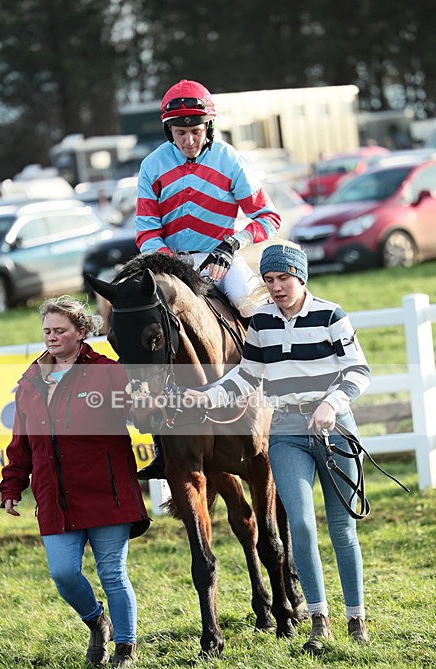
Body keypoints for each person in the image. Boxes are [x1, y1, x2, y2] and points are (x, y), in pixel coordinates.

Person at [183, 240, 371, 654]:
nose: (276, 287)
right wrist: (208, 396)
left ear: (300, 277)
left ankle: (355, 617)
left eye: (283, 278)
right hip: (286, 429)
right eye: (268, 280)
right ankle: (318, 621)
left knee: (342, 528)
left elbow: (358, 370)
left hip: (335, 428)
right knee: (300, 526)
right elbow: (247, 376)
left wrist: (331, 403)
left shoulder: (331, 315)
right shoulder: (262, 323)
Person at [135, 78, 281, 478]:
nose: (188, 140)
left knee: (259, 310)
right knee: (146, 332)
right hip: (170, 263)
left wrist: (230, 246)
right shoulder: (152, 165)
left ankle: (281, 406)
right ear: (169, 131)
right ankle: (163, 446)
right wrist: (170, 265)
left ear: (209, 128)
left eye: (195, 132)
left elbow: (269, 217)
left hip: (222, 257)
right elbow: (146, 229)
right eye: (180, 133)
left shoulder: (230, 159)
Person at [0, 296, 150, 669]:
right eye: (47, 331)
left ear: (81, 332)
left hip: (107, 490)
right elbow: (22, 441)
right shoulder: (30, 381)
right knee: (63, 573)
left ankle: (126, 648)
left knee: (112, 572)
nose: (51, 337)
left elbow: (140, 414)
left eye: (60, 330)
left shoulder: (109, 372)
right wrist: (11, 485)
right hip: (55, 496)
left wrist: (147, 399)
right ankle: (98, 622)